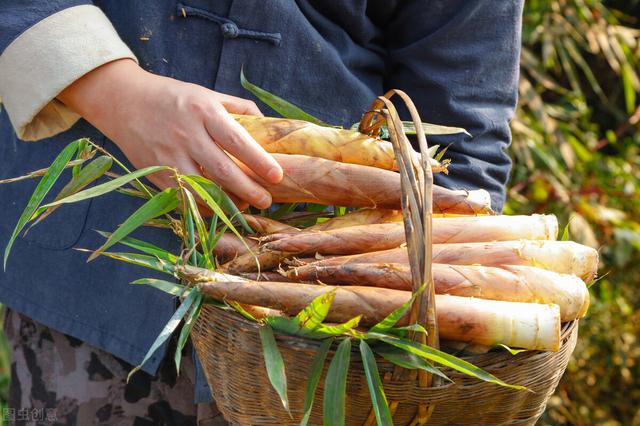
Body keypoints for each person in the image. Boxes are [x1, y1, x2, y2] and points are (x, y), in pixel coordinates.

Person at [0, 1, 524, 424]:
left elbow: (461, 121)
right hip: (95, 280)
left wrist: (438, 314)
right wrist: (117, 94)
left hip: (329, 337)